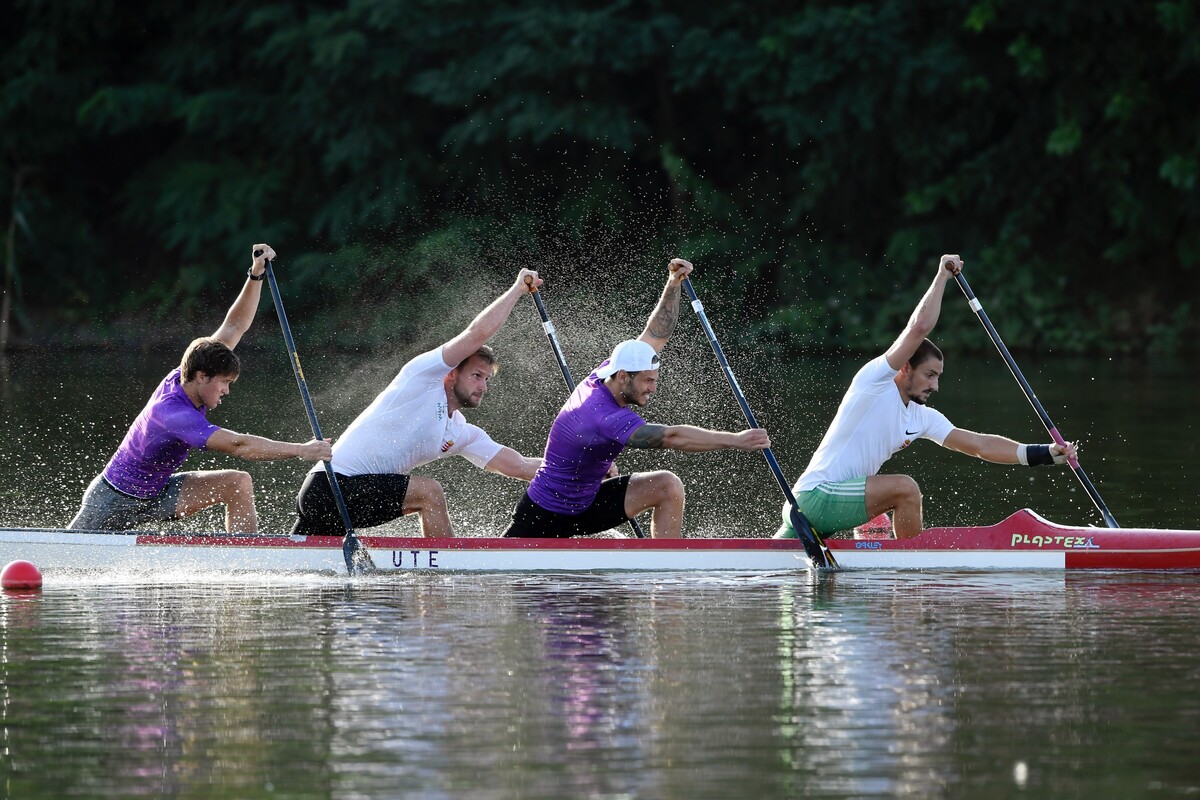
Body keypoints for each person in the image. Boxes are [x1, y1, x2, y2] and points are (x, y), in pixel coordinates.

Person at [776, 253, 1078, 541]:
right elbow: (919, 328)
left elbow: (980, 445)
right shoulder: (875, 381)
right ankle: (908, 566)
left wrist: (1046, 453)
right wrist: (942, 277)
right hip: (815, 498)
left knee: (768, 569)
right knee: (905, 489)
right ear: (906, 367)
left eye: (939, 377)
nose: (936, 386)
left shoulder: (921, 417)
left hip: (813, 509)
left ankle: (881, 560)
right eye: (930, 375)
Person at [69, 244, 333, 533]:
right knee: (64, 556)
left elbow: (234, 325)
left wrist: (256, 274)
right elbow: (239, 445)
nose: (226, 391)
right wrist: (300, 450)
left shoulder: (192, 371)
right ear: (202, 376)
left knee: (237, 482)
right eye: (224, 383)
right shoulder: (173, 414)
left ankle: (246, 560)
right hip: (113, 501)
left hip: (156, 494)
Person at [503, 258, 771, 539]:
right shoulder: (602, 414)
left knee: (668, 485)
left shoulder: (609, 371)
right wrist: (736, 440)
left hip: (588, 503)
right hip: (544, 515)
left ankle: (665, 569)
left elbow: (656, 334)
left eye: (654, 380)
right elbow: (671, 438)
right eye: (647, 381)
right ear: (623, 377)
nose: (652, 388)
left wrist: (673, 284)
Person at [289, 269, 546, 538]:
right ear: (452, 373)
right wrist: (518, 290)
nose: (483, 386)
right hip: (329, 487)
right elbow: (476, 334)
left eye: (486, 379)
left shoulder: (461, 433)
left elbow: (522, 467)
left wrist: (590, 471)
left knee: (291, 563)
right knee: (429, 492)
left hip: (345, 499)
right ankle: (447, 570)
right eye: (476, 375)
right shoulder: (423, 376)